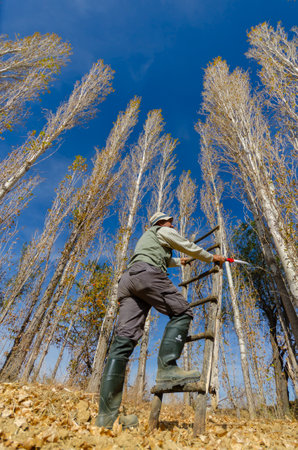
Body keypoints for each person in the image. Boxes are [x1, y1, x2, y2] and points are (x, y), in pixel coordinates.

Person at [95, 212, 226, 429]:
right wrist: (211, 257)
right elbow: (186, 244)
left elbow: (164, 258)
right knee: (183, 312)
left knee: (123, 343)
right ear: (161, 223)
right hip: (147, 274)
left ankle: (106, 418)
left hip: (127, 282)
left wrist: (180, 261)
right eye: (170, 222)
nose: (172, 224)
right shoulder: (163, 231)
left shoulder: (148, 240)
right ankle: (167, 368)